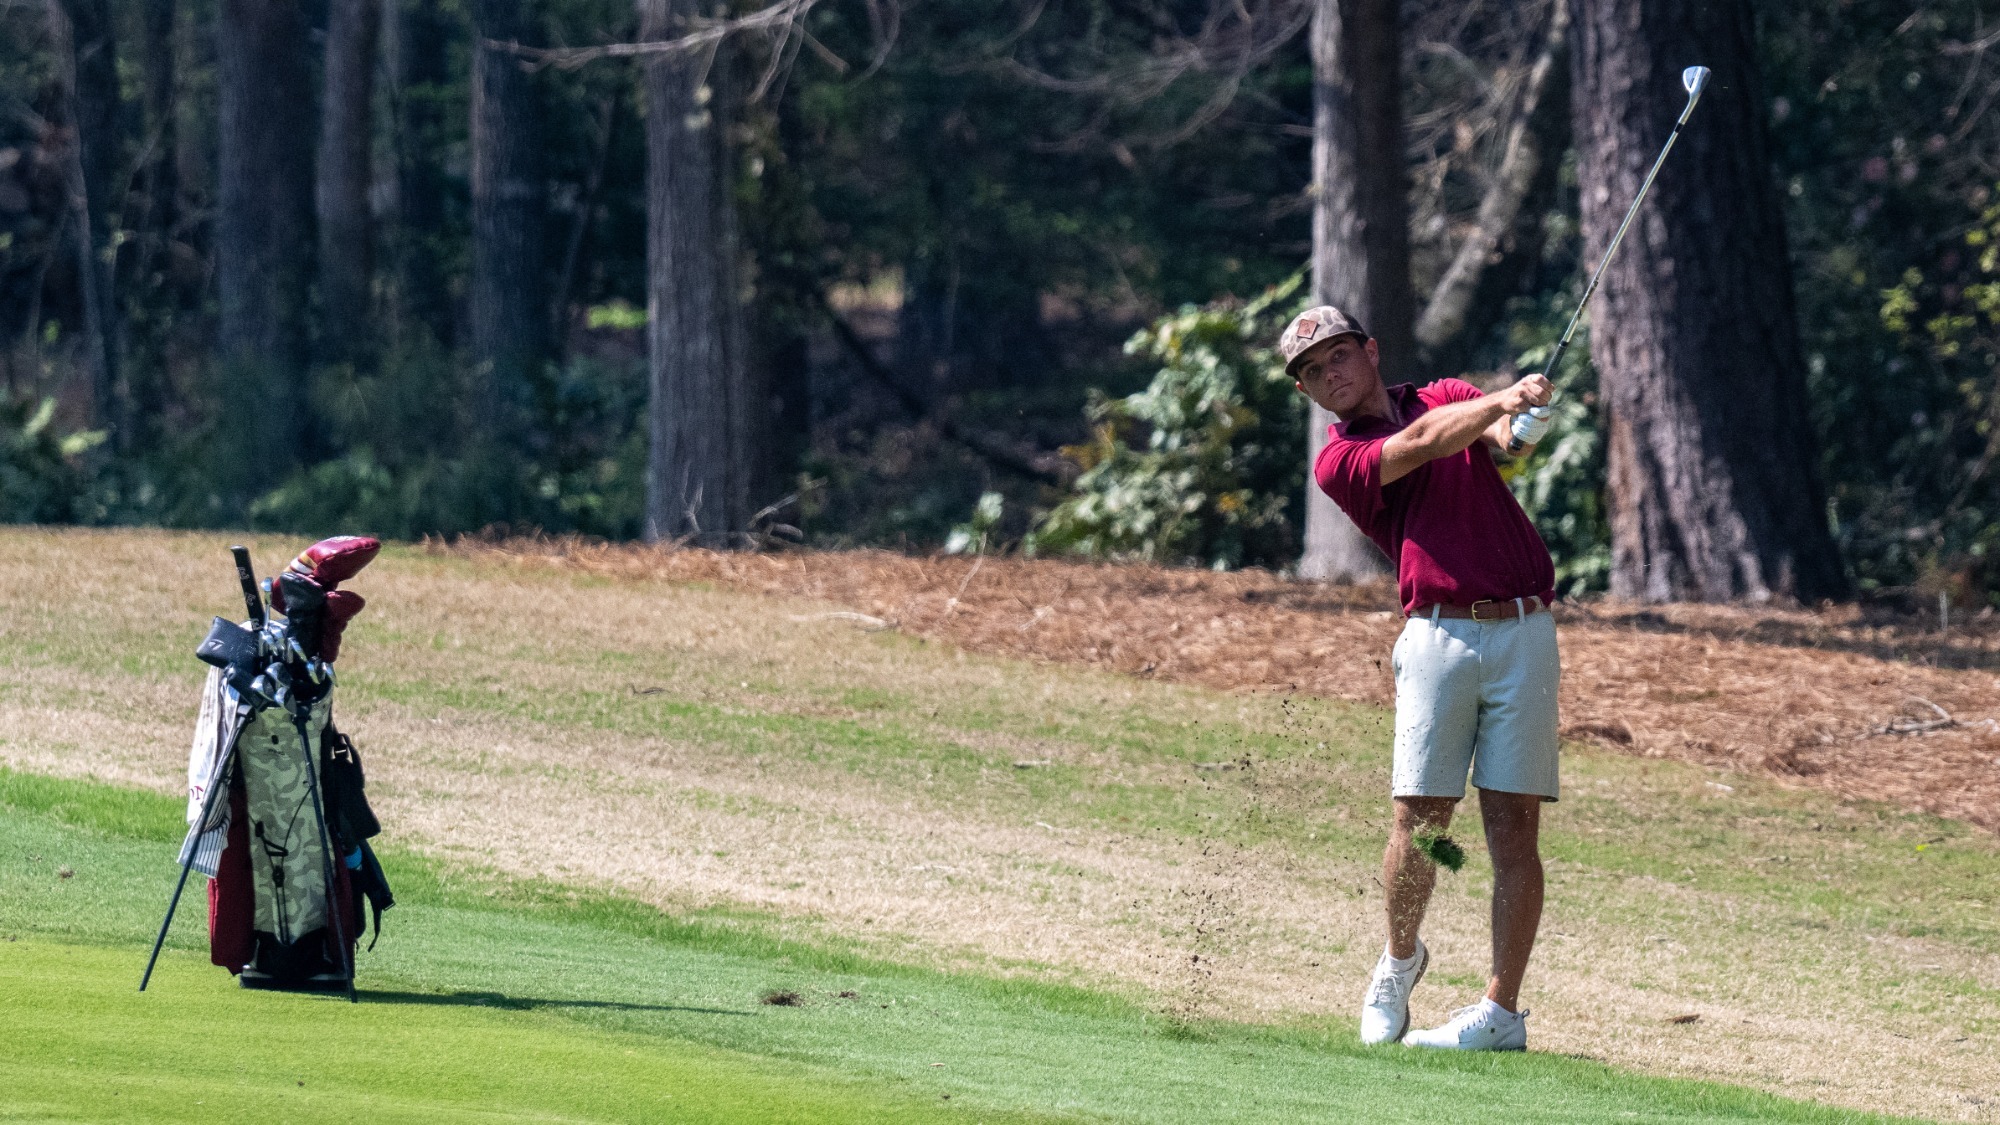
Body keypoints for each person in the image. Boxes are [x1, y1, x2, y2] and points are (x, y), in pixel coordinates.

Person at [1281, 305, 1558, 1052]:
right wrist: (1500, 401)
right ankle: (1400, 959)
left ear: (1371, 351)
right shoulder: (1341, 460)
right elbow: (1426, 443)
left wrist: (1521, 419)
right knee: (1420, 819)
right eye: (1313, 371)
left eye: (1338, 355)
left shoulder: (1446, 394)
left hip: (1527, 629)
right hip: (1437, 633)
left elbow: (1497, 445)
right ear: (1307, 391)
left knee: (1513, 826)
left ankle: (1500, 1012)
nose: (1329, 374)